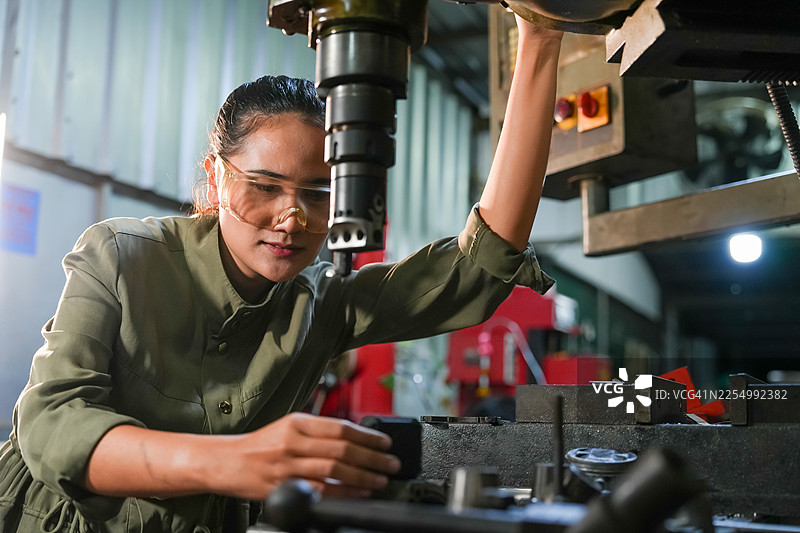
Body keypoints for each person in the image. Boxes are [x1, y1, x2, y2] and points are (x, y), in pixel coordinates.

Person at [0, 14, 561, 533]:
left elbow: (477, 270)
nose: (292, 218)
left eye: (318, 194)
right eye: (264, 187)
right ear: (216, 177)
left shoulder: (325, 303)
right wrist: (234, 462)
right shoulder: (120, 256)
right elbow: (51, 422)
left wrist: (540, 36)